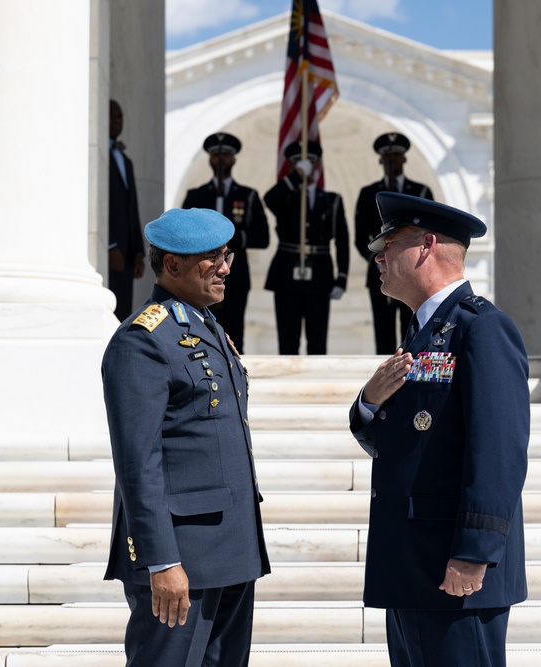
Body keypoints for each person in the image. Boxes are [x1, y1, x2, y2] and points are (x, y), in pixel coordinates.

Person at [348, 192, 530, 667]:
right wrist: (369, 403)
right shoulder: (423, 333)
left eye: (388, 245)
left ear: (426, 245)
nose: (378, 257)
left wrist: (475, 551)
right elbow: (403, 441)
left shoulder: (481, 328)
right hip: (412, 567)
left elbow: (499, 450)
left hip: (454, 571)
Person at [101, 207, 270, 667]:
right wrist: (161, 561)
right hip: (181, 559)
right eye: (210, 258)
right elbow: (138, 463)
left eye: (226, 254)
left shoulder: (204, 325)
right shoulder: (143, 340)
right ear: (172, 265)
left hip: (232, 550)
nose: (225, 267)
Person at [181, 132, 269, 353]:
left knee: (234, 330)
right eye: (216, 155)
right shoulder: (196, 196)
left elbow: (262, 237)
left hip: (235, 275)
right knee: (199, 326)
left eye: (226, 155)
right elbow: (183, 233)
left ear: (234, 159)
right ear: (210, 160)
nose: (221, 160)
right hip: (200, 273)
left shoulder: (247, 195)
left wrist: (232, 237)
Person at [263, 140, 349, 355]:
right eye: (299, 163)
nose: (307, 167)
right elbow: (268, 199)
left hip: (319, 273)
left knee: (317, 340)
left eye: (311, 162)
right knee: (287, 340)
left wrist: (342, 277)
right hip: (286, 274)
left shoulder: (332, 200)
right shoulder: (286, 196)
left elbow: (342, 240)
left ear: (318, 165)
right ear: (292, 167)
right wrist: (297, 176)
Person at [354, 133, 434, 355]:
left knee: (413, 323)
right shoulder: (369, 194)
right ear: (381, 161)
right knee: (383, 327)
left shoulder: (420, 192)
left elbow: (430, 233)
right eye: (387, 158)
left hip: (413, 269)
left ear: (404, 160)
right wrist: (381, 260)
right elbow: (361, 237)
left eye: (396, 157)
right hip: (380, 268)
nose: (392, 162)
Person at [108, 99, 146, 321]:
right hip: (109, 250)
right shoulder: (96, 156)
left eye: (119, 116)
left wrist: (138, 252)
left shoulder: (126, 160)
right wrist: (110, 245)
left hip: (127, 253)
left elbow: (133, 209)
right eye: (111, 116)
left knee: (123, 310)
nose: (116, 121)